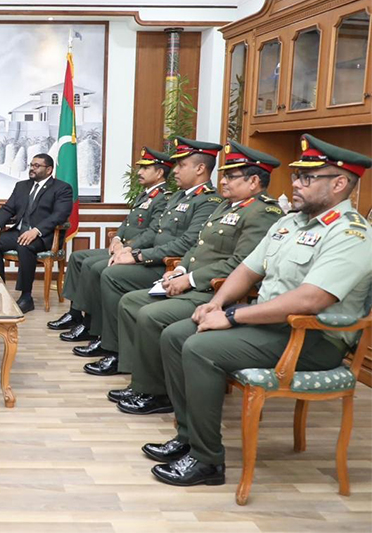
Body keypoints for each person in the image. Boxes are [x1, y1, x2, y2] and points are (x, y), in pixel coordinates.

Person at [146, 134, 372, 487]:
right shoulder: (289, 222)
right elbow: (248, 269)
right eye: (297, 175)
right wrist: (215, 302)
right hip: (270, 326)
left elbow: (309, 301)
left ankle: (207, 462)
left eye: (307, 178)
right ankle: (189, 437)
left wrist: (233, 316)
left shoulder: (350, 234)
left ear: (340, 183)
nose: (295, 184)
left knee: (200, 348)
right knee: (176, 335)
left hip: (313, 338)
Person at [107, 141, 283, 414]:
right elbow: (197, 247)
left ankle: (157, 393)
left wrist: (189, 280)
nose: (223, 181)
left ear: (254, 182)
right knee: (132, 302)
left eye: (231, 176)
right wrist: (178, 270)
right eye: (224, 175)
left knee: (151, 315)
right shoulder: (227, 207)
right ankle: (142, 382)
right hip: (193, 281)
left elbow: (240, 264)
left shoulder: (263, 213)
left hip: (216, 292)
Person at [74, 137, 223, 375]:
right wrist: (130, 250)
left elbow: (187, 243)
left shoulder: (209, 201)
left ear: (200, 168)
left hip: (169, 266)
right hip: (158, 260)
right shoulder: (179, 196)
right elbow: (155, 231)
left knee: (111, 275)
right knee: (106, 268)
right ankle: (106, 338)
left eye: (181, 165)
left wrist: (139, 256)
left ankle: (115, 349)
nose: (174, 170)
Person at [49, 146, 172, 338]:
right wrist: (116, 238)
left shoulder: (164, 198)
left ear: (159, 172)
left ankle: (90, 323)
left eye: (145, 168)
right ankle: (74, 314)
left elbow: (152, 232)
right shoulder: (147, 194)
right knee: (77, 257)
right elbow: (127, 221)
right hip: (123, 247)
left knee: (91, 264)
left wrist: (127, 247)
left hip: (138, 252)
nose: (139, 172)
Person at [0, 153, 74, 313]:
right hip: (19, 232)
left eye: (37, 166)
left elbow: (59, 215)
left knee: (24, 245)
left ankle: (26, 297)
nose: (32, 169)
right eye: (31, 165)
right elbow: (8, 208)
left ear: (49, 169)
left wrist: (37, 231)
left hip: (44, 237)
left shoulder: (62, 188)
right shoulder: (21, 186)